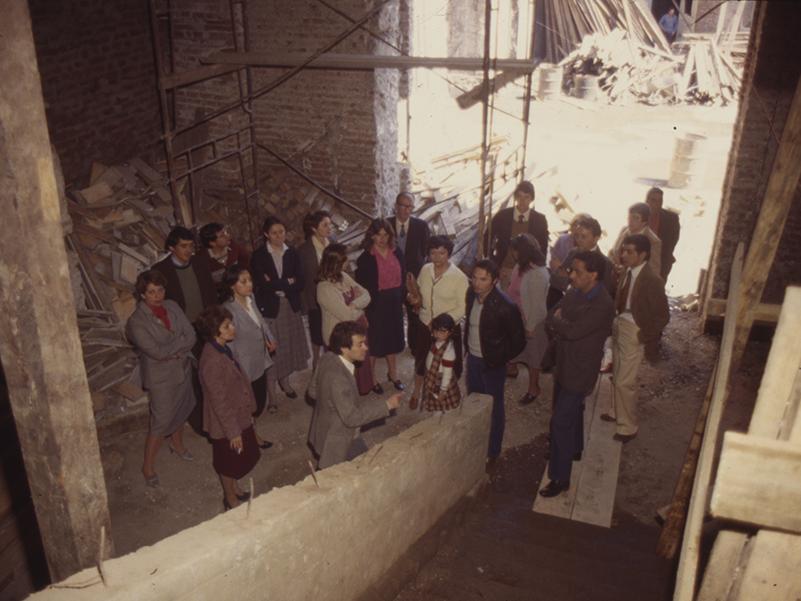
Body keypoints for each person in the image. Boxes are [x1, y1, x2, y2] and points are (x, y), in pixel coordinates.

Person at [539, 251, 615, 497]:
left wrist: (563, 323)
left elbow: (571, 331)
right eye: (571, 270)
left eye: (576, 271)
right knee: (570, 415)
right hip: (563, 363)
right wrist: (564, 322)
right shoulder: (576, 291)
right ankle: (575, 449)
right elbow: (550, 316)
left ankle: (560, 478)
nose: (571, 275)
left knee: (560, 422)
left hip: (580, 371)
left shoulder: (603, 304)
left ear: (593, 275)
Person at [126, 270, 197, 488]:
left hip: (183, 368)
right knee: (160, 421)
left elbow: (192, 335)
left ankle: (177, 444)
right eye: (151, 292)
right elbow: (156, 352)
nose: (157, 295)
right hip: (161, 378)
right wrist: (179, 345)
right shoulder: (136, 322)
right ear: (142, 295)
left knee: (182, 408)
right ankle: (147, 466)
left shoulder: (172, 306)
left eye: (160, 290)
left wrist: (175, 349)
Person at [307, 321, 402, 469]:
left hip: (324, 429)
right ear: (344, 348)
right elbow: (352, 418)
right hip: (338, 438)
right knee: (343, 474)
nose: (366, 347)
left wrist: (333, 404)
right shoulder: (339, 380)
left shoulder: (327, 357)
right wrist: (387, 405)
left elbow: (312, 391)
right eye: (360, 344)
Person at [196, 305, 260, 510]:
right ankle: (229, 497)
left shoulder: (222, 347)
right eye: (227, 326)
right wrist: (233, 432)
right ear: (215, 332)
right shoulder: (211, 362)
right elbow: (219, 402)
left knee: (237, 458)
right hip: (226, 423)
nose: (233, 328)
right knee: (227, 462)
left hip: (237, 414)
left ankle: (236, 489)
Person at [609, 234, 670, 443]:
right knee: (617, 373)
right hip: (620, 323)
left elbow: (663, 316)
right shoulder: (627, 271)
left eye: (629, 252)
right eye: (623, 250)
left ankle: (628, 427)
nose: (624, 255)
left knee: (624, 380)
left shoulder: (652, 280)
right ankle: (616, 411)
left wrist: (643, 334)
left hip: (634, 328)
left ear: (643, 255)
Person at [464, 259, 526, 463]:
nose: (477, 283)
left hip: (492, 365)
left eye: (483, 279)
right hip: (473, 360)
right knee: (474, 403)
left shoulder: (505, 306)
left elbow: (519, 341)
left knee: (494, 407)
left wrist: (499, 357)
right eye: (474, 278)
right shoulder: (471, 295)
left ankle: (492, 451)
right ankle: (475, 443)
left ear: (495, 281)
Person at [250, 216, 310, 403]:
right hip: (271, 307)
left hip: (289, 307)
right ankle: (272, 394)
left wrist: (277, 283)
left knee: (287, 348)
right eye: (274, 233)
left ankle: (285, 383)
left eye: (282, 232)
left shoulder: (292, 253)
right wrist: (287, 282)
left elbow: (300, 281)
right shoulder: (259, 255)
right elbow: (261, 284)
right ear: (266, 234)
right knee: (273, 350)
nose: (279, 236)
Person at [407, 235, 469, 409]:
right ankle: (417, 392)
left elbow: (463, 307)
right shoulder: (425, 270)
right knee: (421, 360)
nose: (437, 258)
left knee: (449, 365)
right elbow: (417, 292)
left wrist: (442, 324)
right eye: (433, 253)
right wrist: (412, 298)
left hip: (447, 330)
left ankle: (449, 395)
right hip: (424, 325)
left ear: (448, 253)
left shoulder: (459, 277)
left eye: (442, 253)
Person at [221, 266, 279, 430]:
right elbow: (229, 342)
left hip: (259, 359)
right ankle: (251, 435)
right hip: (244, 364)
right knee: (249, 405)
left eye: (250, 280)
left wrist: (270, 337)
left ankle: (252, 431)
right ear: (232, 285)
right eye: (243, 282)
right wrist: (235, 367)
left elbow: (260, 321)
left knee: (258, 401)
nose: (249, 284)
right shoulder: (228, 309)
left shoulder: (250, 298)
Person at [356, 219, 406, 394]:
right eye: (378, 235)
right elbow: (360, 286)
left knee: (392, 339)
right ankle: (372, 378)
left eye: (386, 235)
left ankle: (393, 373)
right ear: (372, 235)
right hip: (376, 303)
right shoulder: (365, 258)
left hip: (394, 302)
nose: (382, 239)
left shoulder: (397, 252)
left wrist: (403, 298)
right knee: (375, 342)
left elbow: (404, 276)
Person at [316, 243, 374, 395]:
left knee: (359, 373)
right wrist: (359, 307)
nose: (348, 262)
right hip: (339, 340)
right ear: (336, 263)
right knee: (344, 380)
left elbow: (367, 295)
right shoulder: (324, 288)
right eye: (345, 260)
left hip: (356, 332)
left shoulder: (343, 277)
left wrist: (354, 304)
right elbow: (346, 316)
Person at [506, 234, 550, 405]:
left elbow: (538, 306)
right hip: (517, 318)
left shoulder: (538, 273)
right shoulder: (520, 267)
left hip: (531, 321)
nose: (512, 253)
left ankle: (534, 388)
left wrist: (530, 326)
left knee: (533, 357)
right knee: (515, 349)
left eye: (515, 250)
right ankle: (512, 369)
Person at [485, 181, 549, 288]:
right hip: (505, 269)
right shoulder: (502, 216)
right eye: (519, 196)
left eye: (526, 197)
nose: (522, 201)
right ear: (515, 197)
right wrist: (494, 262)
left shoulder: (540, 220)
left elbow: (543, 247)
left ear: (532, 199)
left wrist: (537, 270)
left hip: (528, 272)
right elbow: (487, 237)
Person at [389, 192, 430, 350]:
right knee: (393, 312)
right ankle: (394, 344)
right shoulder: (387, 224)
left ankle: (414, 345)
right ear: (396, 206)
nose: (406, 210)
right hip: (391, 278)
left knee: (414, 313)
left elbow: (426, 252)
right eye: (402, 206)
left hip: (413, 278)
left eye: (409, 206)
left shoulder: (421, 226)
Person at [151, 226, 217, 323]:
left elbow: (212, 293)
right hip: (179, 326)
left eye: (191, 246)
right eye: (183, 246)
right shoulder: (160, 270)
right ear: (172, 248)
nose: (189, 250)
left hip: (205, 323)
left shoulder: (200, 263)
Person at [297, 210, 333, 372]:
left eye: (330, 224)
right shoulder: (304, 251)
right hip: (315, 299)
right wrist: (306, 304)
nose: (329, 228)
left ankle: (332, 364)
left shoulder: (332, 244)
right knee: (317, 335)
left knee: (332, 333)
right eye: (325, 225)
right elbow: (302, 280)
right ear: (314, 228)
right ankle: (316, 364)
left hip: (333, 296)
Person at [552, 216, 616, 298]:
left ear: (596, 238)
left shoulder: (605, 263)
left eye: (583, 237)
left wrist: (571, 284)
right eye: (577, 236)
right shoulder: (573, 252)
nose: (579, 240)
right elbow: (555, 279)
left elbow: (603, 293)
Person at [609, 203, 662, 282]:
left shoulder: (653, 241)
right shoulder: (624, 230)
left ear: (645, 221)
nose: (631, 221)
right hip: (615, 280)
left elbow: (654, 271)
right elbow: (612, 253)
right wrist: (614, 265)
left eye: (636, 218)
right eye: (629, 217)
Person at [422, 313, 462, 413]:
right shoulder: (437, 342)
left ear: (450, 332)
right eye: (436, 330)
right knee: (434, 404)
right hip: (432, 377)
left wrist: (443, 390)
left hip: (440, 383)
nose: (438, 334)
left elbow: (447, 373)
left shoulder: (448, 352)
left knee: (443, 407)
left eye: (442, 331)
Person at [645, 187, 681, 283]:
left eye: (660, 201)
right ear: (646, 200)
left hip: (661, 263)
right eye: (653, 200)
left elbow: (673, 241)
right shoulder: (640, 215)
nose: (656, 204)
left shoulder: (671, 219)